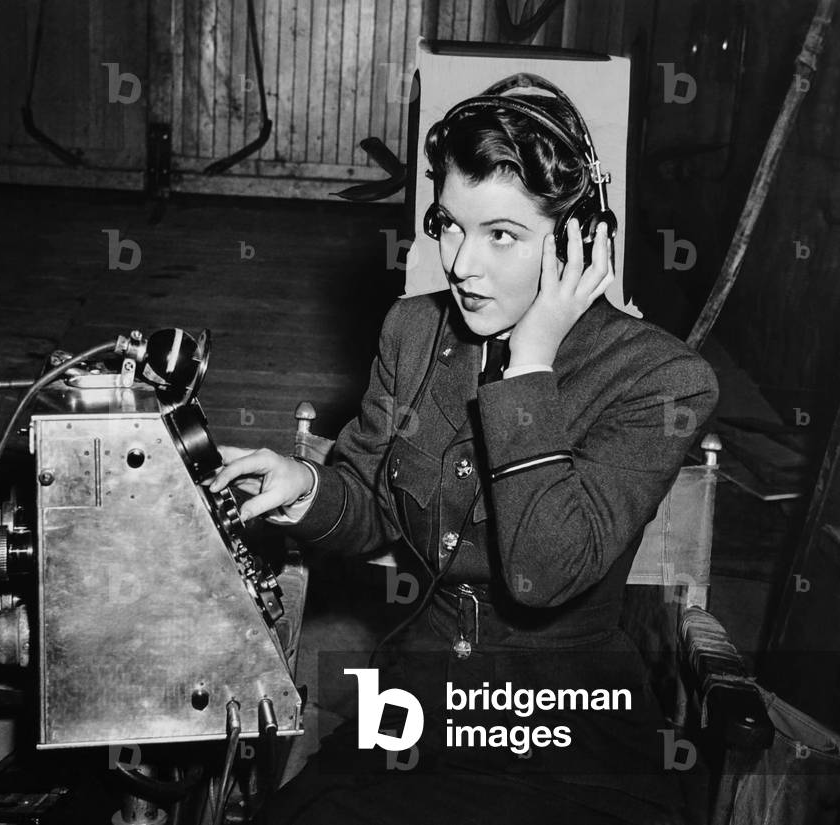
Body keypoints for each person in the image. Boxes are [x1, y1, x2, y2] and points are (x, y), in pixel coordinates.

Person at [209, 75, 718, 825]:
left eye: (501, 234)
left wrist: (529, 363)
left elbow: (544, 573)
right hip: (416, 705)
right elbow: (373, 507)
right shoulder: (413, 332)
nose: (461, 264)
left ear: (579, 239)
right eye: (450, 225)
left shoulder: (660, 379)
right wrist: (308, 488)